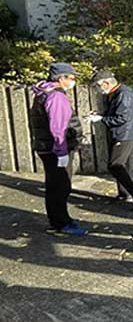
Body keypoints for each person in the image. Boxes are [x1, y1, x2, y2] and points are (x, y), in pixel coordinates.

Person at [30, 63, 86, 236]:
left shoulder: (43, 93)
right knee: (60, 186)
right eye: (72, 77)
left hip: (46, 147)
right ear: (61, 78)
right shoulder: (56, 97)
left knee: (54, 185)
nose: (73, 80)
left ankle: (61, 220)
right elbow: (58, 128)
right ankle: (61, 224)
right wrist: (61, 152)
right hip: (55, 149)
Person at [88, 70, 133, 206]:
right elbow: (116, 113)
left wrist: (101, 119)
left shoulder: (124, 94)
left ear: (106, 83)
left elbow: (122, 118)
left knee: (115, 166)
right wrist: (101, 114)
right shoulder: (117, 93)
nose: (97, 90)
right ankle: (123, 194)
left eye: (98, 86)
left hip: (124, 135)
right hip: (120, 133)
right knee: (119, 165)